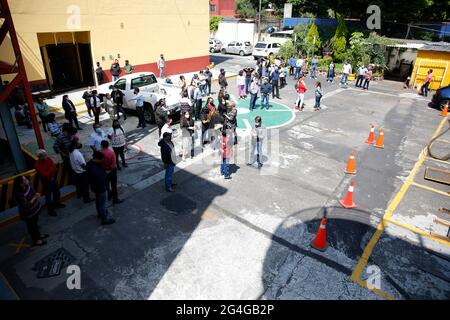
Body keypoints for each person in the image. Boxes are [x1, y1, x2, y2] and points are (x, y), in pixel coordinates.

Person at [13, 176, 48, 246]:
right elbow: (25, 205)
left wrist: (36, 194)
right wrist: (34, 197)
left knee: (35, 224)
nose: (26, 180)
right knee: (32, 227)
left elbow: (32, 191)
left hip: (34, 210)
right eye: (24, 179)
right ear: (21, 184)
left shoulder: (27, 186)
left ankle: (38, 235)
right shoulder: (19, 194)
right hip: (28, 214)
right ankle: (36, 240)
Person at [86, 151, 116, 225]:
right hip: (100, 187)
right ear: (97, 159)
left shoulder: (90, 164)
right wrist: (106, 174)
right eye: (102, 159)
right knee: (103, 203)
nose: (102, 161)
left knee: (98, 201)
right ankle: (104, 219)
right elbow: (100, 179)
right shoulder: (94, 168)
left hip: (94, 187)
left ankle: (100, 213)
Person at [34, 149, 65, 216]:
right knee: (48, 197)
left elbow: (55, 168)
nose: (46, 156)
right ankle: (50, 211)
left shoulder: (48, 159)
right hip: (46, 182)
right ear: (40, 157)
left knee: (57, 193)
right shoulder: (37, 164)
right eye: (44, 155)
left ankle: (57, 204)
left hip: (53, 179)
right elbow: (44, 174)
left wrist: (49, 170)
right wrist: (50, 169)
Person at [100, 140, 122, 204]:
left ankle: (109, 195)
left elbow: (99, 163)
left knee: (106, 185)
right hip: (112, 171)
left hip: (104, 171)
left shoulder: (100, 153)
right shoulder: (111, 152)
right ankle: (115, 199)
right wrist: (109, 169)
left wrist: (105, 169)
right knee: (113, 185)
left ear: (102, 146)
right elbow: (113, 163)